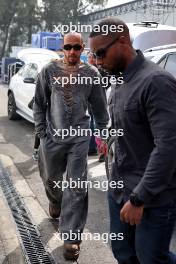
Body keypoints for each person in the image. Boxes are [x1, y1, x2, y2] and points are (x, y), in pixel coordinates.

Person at [89, 17, 176, 264]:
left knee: (151, 258)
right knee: (124, 254)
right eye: (93, 55)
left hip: (153, 197)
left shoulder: (156, 82)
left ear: (123, 41)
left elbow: (168, 147)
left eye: (100, 53)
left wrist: (139, 198)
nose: (96, 61)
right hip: (119, 190)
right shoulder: (117, 83)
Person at [33, 32, 109, 261]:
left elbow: (100, 110)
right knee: (50, 179)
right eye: (68, 47)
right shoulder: (48, 71)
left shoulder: (92, 74)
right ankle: (55, 201)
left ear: (83, 48)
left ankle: (72, 237)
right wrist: (42, 133)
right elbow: (39, 103)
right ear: (63, 48)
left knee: (76, 187)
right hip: (52, 137)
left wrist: (102, 136)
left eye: (77, 47)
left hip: (79, 139)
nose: (72, 52)